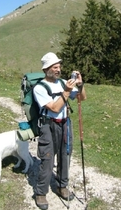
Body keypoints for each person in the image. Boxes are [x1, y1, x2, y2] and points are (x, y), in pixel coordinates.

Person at [33, 52, 87, 210]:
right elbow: (55, 108)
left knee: (66, 155)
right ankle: (41, 193)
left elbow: (81, 98)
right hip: (48, 125)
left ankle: (62, 186)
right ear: (46, 69)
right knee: (48, 158)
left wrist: (80, 85)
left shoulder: (64, 82)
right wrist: (67, 92)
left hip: (65, 124)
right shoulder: (40, 88)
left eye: (59, 66)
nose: (58, 69)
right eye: (55, 67)